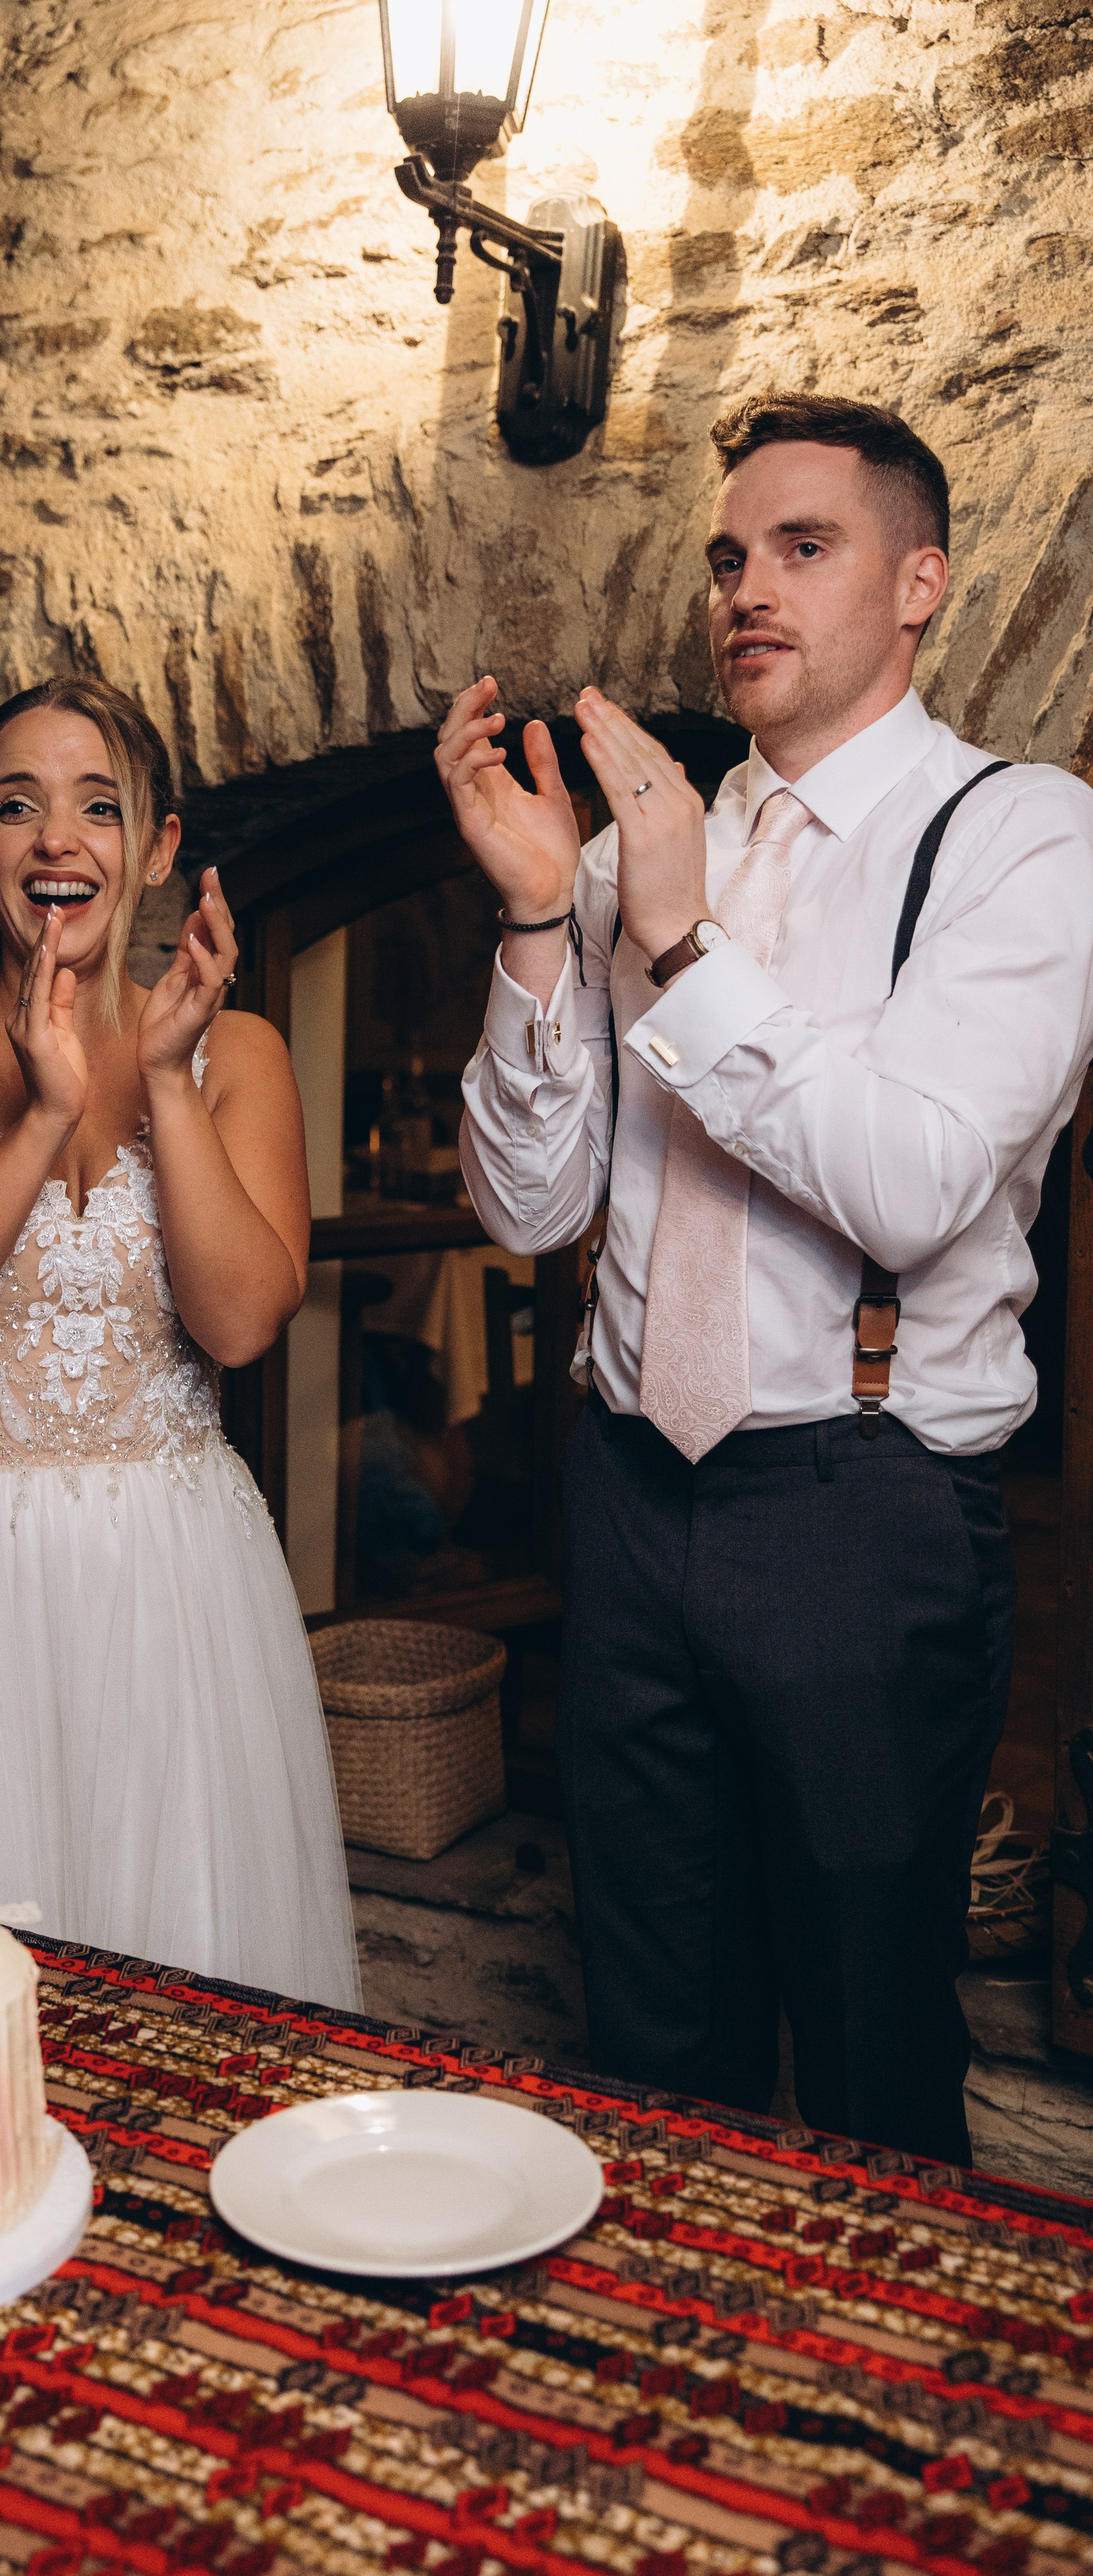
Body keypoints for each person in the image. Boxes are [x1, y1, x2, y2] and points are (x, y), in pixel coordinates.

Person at [443, 392, 1093, 2163]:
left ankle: (885, 2417)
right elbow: (523, 1206)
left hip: (863, 1509)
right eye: (732, 555)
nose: (747, 586)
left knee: (874, 2039)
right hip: (631, 1489)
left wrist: (677, 940)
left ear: (921, 585)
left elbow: (914, 1185)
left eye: (805, 547)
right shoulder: (636, 846)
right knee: (653, 2028)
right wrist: (533, 916)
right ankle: (670, 2391)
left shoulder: (1020, 836)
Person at [0, 675, 361, 2011]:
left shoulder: (234, 1054)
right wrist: (45, 1117)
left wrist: (159, 1082)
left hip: (173, 1583)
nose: (56, 840)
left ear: (159, 849)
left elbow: (236, 1316)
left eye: (96, 807)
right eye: (17, 807)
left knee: (189, 1991)